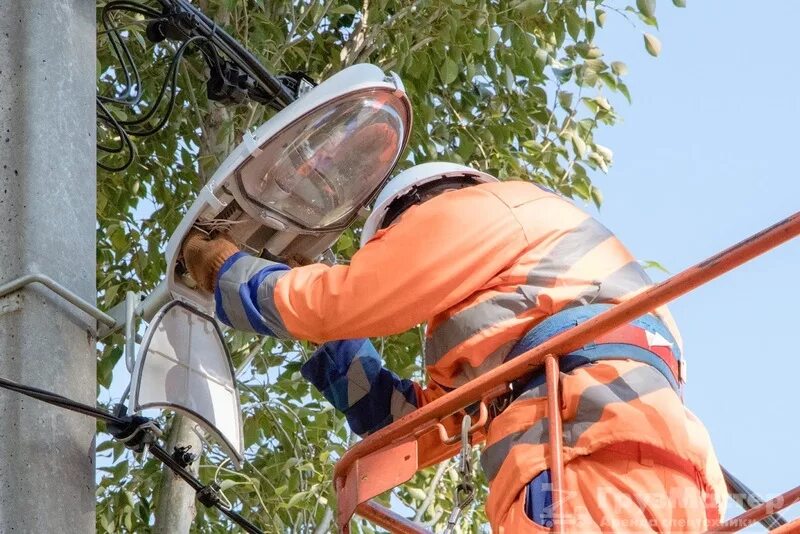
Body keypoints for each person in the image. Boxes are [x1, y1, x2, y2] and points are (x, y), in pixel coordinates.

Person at [182, 161, 727, 532]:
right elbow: (415, 427)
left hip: (587, 456)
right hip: (654, 471)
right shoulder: (519, 318)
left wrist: (233, 273)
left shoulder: (479, 209)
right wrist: (337, 340)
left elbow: (348, 297)